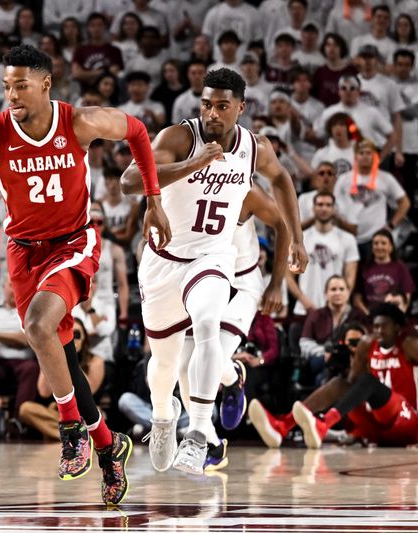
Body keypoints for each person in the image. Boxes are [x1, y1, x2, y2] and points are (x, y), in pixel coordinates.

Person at [0, 44, 170, 506]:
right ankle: (107, 445)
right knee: (60, 357)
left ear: (46, 84)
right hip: (23, 253)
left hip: (73, 243)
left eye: (21, 85)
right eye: (6, 87)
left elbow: (139, 132)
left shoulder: (79, 122)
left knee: (39, 325)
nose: (12, 95)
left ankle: (70, 430)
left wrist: (154, 198)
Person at [121, 67, 307, 476]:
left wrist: (297, 238)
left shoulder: (254, 148)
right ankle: (164, 417)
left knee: (207, 325)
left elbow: (283, 180)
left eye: (223, 106)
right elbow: (129, 182)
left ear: (240, 108)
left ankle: (201, 434)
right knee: (166, 362)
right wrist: (194, 164)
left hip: (213, 259)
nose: (213, 114)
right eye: (206, 104)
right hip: (164, 263)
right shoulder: (177, 137)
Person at [293, 304, 418, 449]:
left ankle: (325, 423)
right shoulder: (368, 346)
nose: (379, 331)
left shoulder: (407, 345)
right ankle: (287, 423)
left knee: (368, 381)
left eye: (384, 326)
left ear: (397, 327)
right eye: (376, 327)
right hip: (380, 428)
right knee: (342, 384)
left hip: (405, 419)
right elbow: (350, 383)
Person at [249, 321, 367, 447]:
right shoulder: (342, 358)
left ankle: (308, 425)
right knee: (337, 382)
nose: (354, 347)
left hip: (375, 418)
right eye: (349, 343)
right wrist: (333, 363)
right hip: (348, 418)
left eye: (357, 342)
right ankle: (285, 426)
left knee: (355, 382)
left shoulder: (373, 358)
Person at [19, 319, 105, 440]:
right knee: (26, 409)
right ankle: (78, 436)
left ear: (84, 338)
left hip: (84, 413)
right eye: (68, 334)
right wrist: (52, 357)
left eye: (76, 335)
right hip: (58, 411)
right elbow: (44, 392)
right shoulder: (51, 358)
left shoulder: (95, 361)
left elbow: (89, 392)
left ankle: (70, 435)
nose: (72, 339)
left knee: (97, 414)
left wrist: (71, 359)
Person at [0, 277, 40, 417]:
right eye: (11, 285)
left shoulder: (30, 311)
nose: (14, 289)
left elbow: (25, 339)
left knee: (31, 368)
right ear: (3, 287)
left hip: (22, 362)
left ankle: (19, 418)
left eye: (19, 284)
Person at [299, 276, 368, 386]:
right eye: (333, 289)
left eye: (341, 289)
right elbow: (305, 343)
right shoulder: (316, 315)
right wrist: (324, 352)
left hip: (350, 359)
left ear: (348, 293)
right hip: (322, 359)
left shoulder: (359, 315)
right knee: (322, 372)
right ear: (326, 294)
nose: (337, 293)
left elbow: (366, 342)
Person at [353, 229, 415, 315]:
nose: (379, 247)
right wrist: (367, 314)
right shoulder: (364, 268)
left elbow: (407, 294)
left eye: (383, 243)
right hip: (370, 317)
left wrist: (399, 314)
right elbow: (357, 297)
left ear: (391, 247)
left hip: (392, 316)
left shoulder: (400, 268)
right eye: (376, 243)